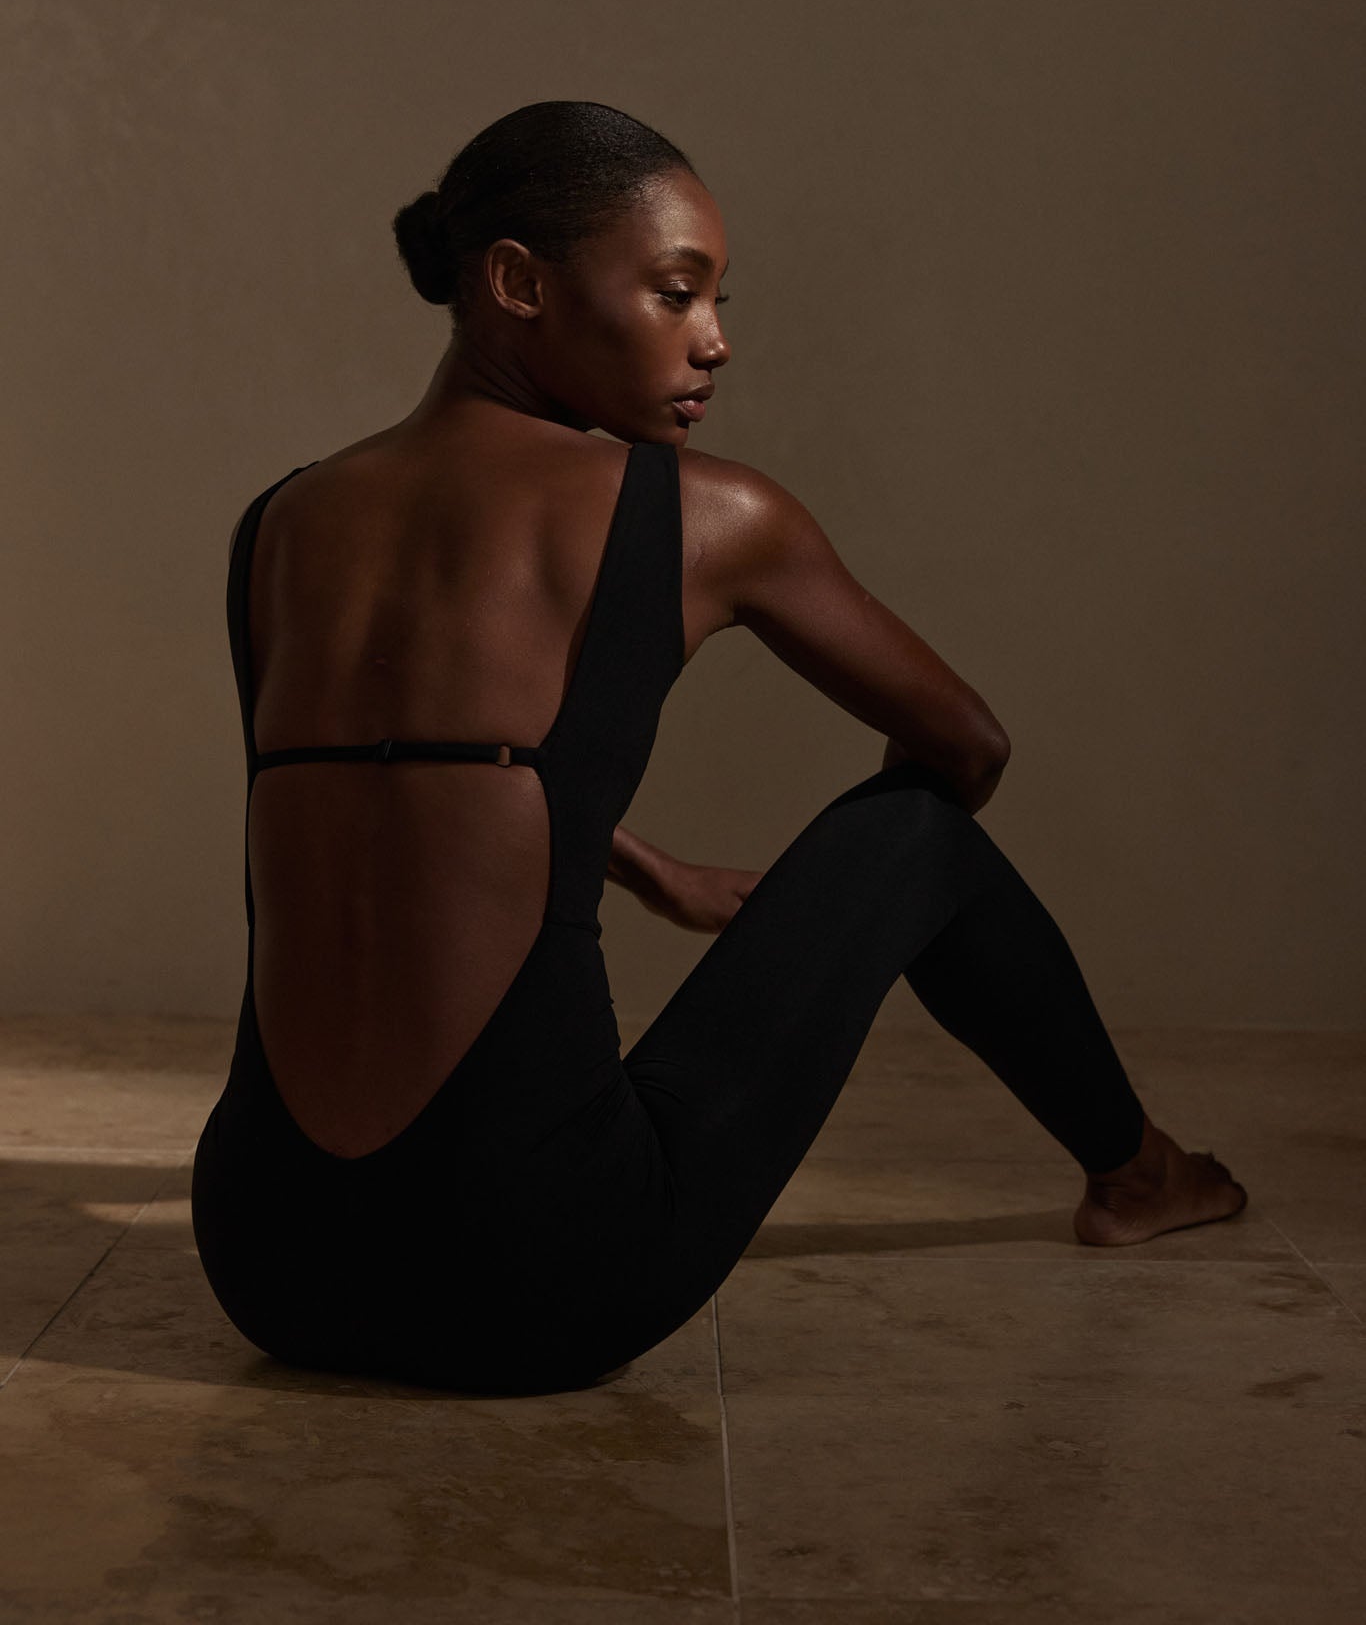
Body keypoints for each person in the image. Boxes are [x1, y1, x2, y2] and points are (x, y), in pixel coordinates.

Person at [191, 99, 1247, 1398]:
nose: (715, 342)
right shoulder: (706, 516)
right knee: (916, 831)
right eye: (677, 293)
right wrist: (836, 912)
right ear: (518, 281)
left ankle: (1132, 1165)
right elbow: (965, 745)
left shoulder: (282, 524)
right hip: (534, 1287)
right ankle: (1134, 1169)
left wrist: (643, 868)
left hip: (270, 1269)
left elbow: (393, 772)